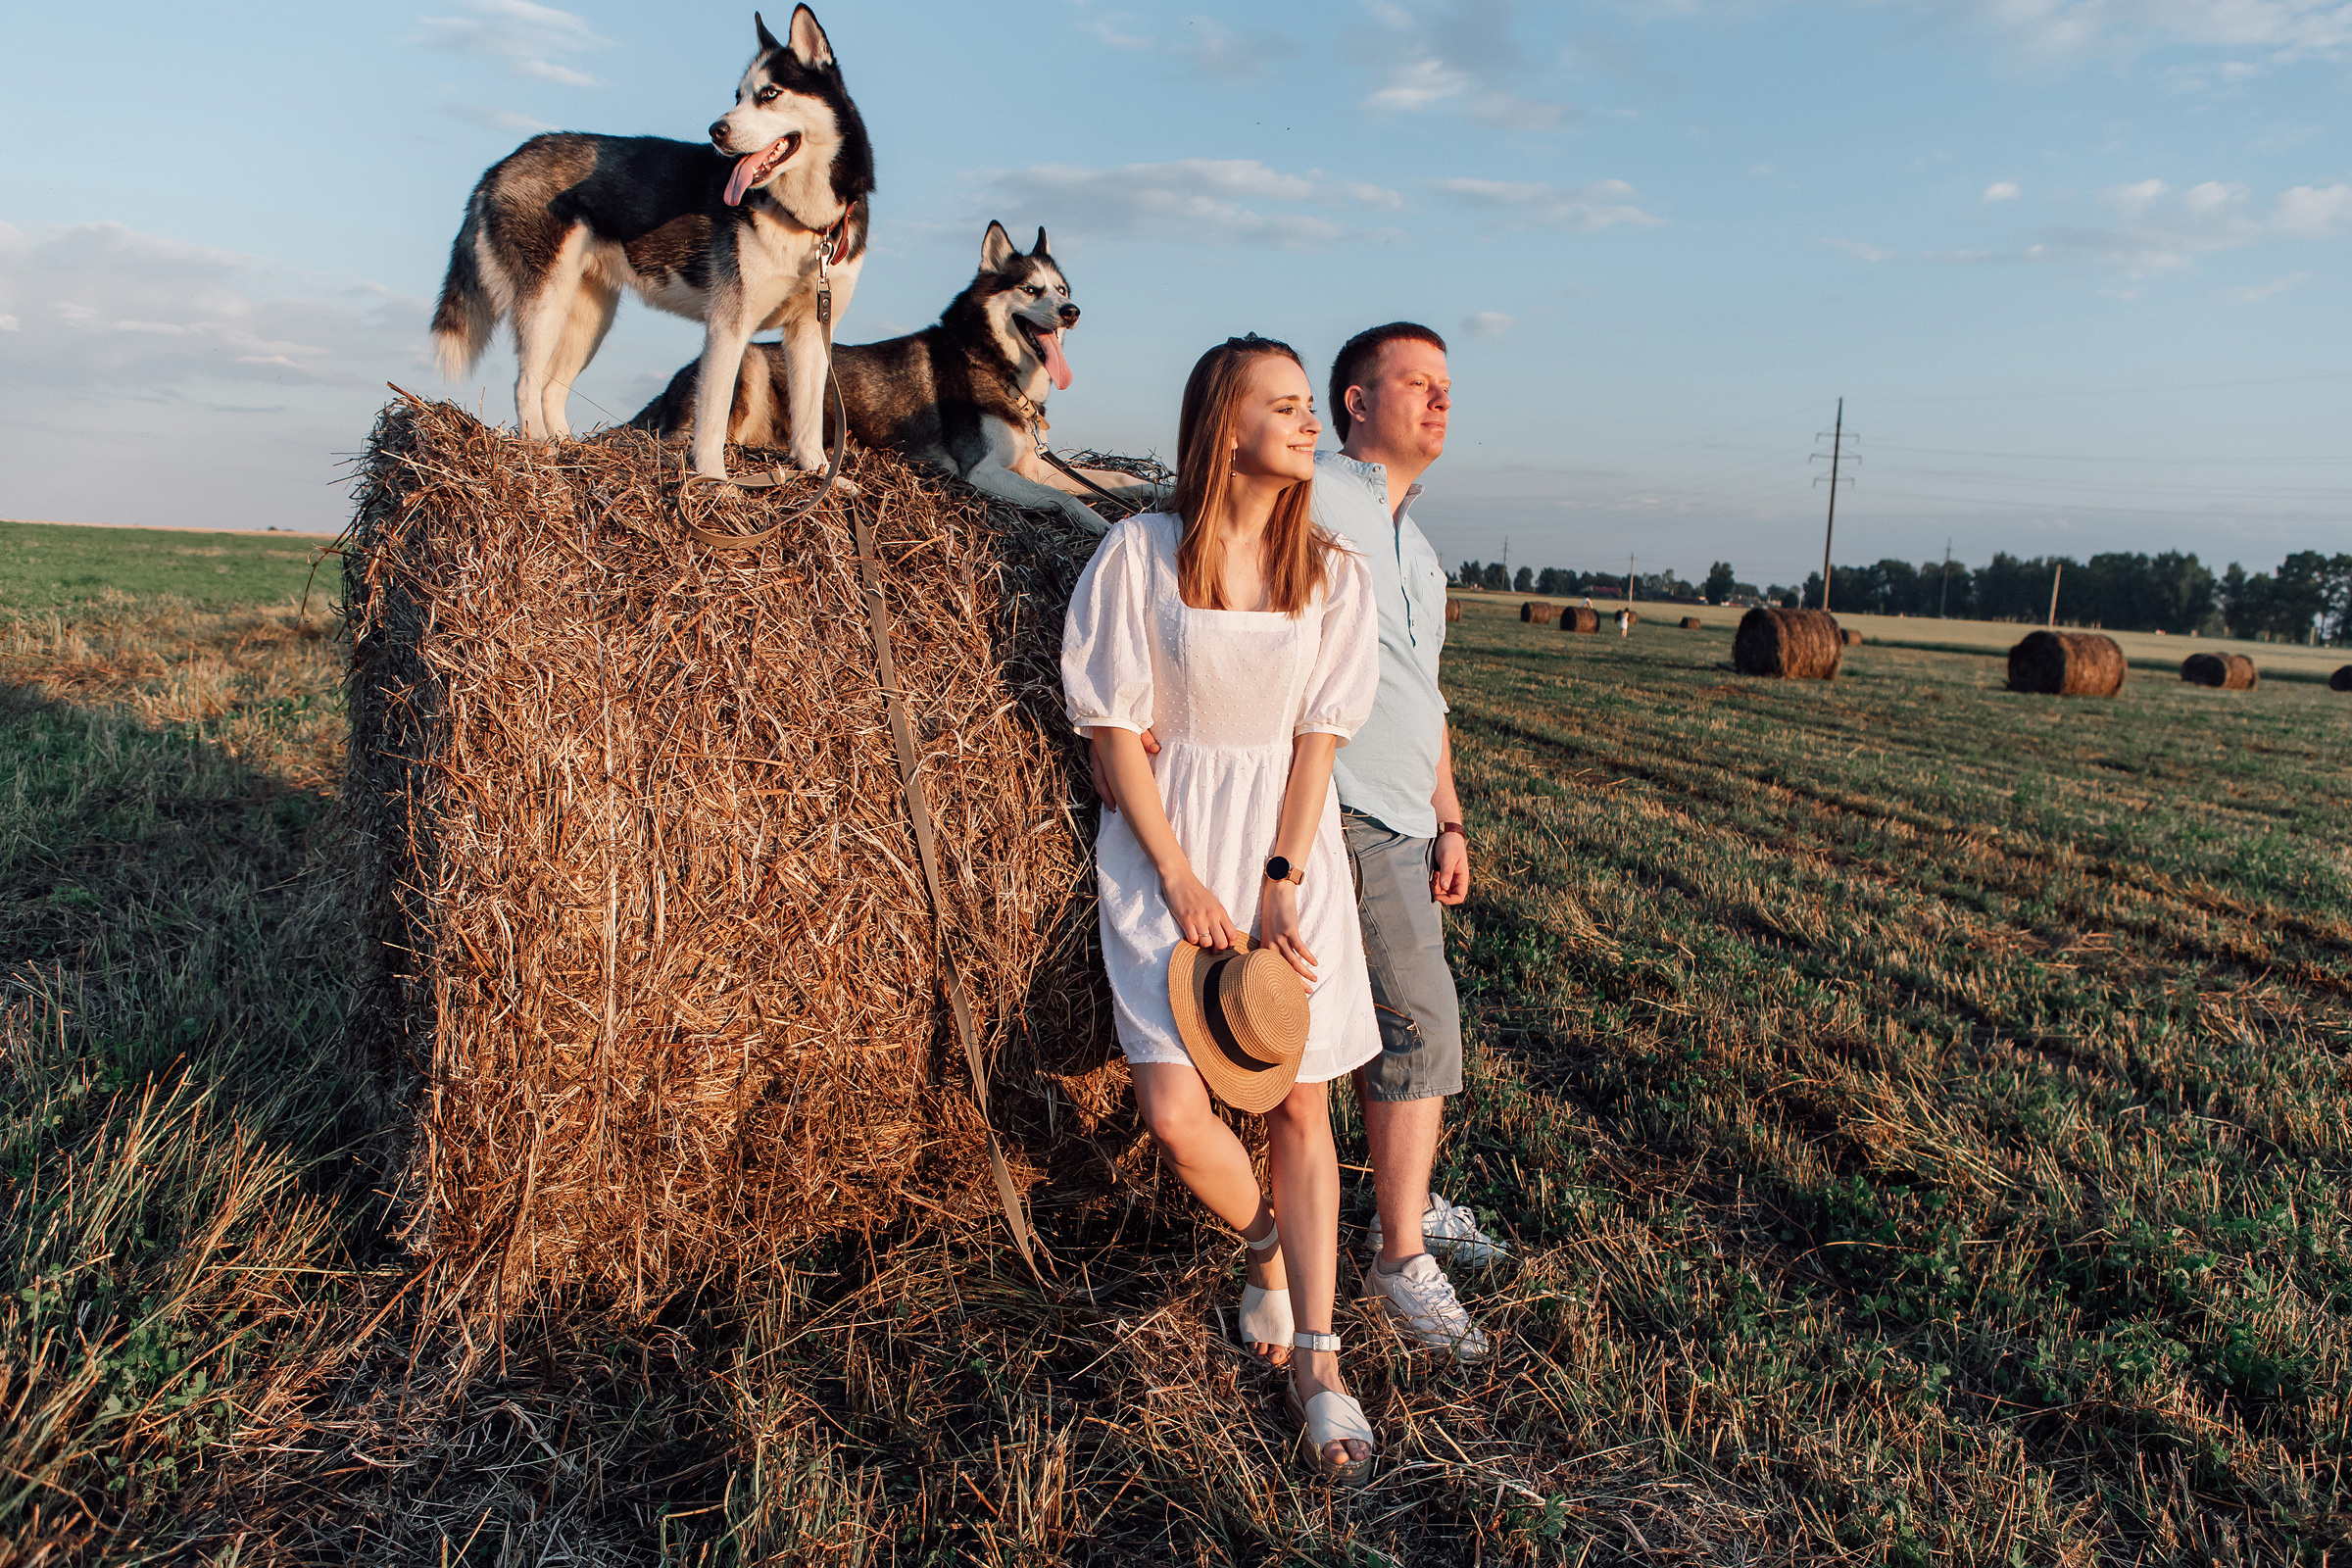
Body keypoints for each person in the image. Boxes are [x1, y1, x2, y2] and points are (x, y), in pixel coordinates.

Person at [1061, 334, 1381, 1484]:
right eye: (1286, 406)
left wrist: (1277, 877)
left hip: (1285, 854)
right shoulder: (1141, 555)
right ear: (1226, 423)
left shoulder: (1330, 572)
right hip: (1167, 847)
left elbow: (1317, 744)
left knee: (1301, 1105)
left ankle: (1320, 1360)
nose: (1309, 424)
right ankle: (1266, 1246)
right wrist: (1183, 875)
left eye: (1309, 407)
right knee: (1172, 1104)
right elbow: (1113, 727)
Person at [1312, 322, 1502, 1361]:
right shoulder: (1316, 489)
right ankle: (1397, 1257)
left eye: (1445, 386)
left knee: (1394, 1024)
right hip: (1340, 802)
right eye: (1415, 383)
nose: (1438, 401)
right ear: (1353, 401)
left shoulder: (1418, 552)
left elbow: (1424, 700)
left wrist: (1452, 815)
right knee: (1419, 1022)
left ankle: (1412, 1204)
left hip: (1403, 808)